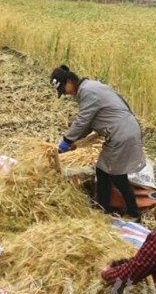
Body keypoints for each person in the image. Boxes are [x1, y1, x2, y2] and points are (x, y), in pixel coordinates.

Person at [51, 64, 144, 220]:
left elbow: (82, 120)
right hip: (121, 132)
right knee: (102, 171)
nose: (65, 94)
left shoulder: (87, 91)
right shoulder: (89, 87)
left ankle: (134, 214)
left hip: (121, 134)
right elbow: (90, 123)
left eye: (63, 89)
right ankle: (103, 209)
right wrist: (76, 141)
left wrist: (66, 141)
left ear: (69, 81)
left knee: (117, 176)